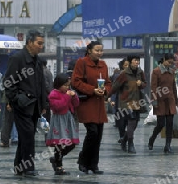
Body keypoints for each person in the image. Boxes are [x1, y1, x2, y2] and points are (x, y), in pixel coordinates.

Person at [3, 30, 47, 177]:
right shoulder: (17, 58)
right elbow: (8, 82)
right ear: (29, 42)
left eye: (42, 44)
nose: (41, 46)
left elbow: (41, 84)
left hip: (35, 106)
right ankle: (28, 167)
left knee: (25, 136)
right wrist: (16, 99)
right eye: (38, 43)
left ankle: (19, 166)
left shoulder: (38, 61)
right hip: (22, 105)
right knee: (28, 135)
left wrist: (43, 104)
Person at [72, 41, 111, 174]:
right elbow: (75, 81)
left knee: (98, 135)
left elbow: (109, 83)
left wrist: (105, 90)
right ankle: (83, 160)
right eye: (97, 50)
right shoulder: (82, 62)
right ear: (89, 50)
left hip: (99, 105)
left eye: (101, 50)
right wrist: (92, 90)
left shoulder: (103, 65)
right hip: (87, 104)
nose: (99, 53)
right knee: (92, 132)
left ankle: (94, 165)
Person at [111, 55, 146, 154]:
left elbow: (145, 83)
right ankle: (130, 143)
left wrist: (141, 84)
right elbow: (115, 87)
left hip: (137, 101)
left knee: (134, 124)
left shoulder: (140, 72)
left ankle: (124, 140)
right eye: (135, 60)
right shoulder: (124, 74)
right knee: (131, 121)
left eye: (138, 61)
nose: (137, 62)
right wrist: (107, 96)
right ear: (130, 62)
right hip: (126, 102)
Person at [45, 73, 80, 175]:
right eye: (65, 85)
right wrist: (67, 97)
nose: (67, 87)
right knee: (59, 144)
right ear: (58, 84)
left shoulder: (68, 93)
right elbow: (58, 107)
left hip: (68, 119)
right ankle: (59, 166)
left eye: (68, 85)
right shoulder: (53, 94)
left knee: (72, 143)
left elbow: (76, 104)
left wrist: (74, 97)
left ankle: (56, 158)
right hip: (59, 120)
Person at [147, 54, 178, 153]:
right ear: (164, 60)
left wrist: (176, 100)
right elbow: (153, 87)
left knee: (170, 124)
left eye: (172, 63)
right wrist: (154, 101)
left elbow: (173, 87)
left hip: (170, 100)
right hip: (160, 101)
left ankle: (168, 145)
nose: (170, 64)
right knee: (161, 124)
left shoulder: (172, 72)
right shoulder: (156, 71)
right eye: (169, 62)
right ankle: (152, 139)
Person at [110, 58, 129, 141]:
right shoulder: (118, 75)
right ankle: (122, 135)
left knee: (129, 120)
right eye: (126, 65)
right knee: (121, 120)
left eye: (129, 65)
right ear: (122, 66)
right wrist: (112, 99)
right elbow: (114, 88)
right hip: (120, 100)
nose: (127, 67)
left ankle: (126, 135)